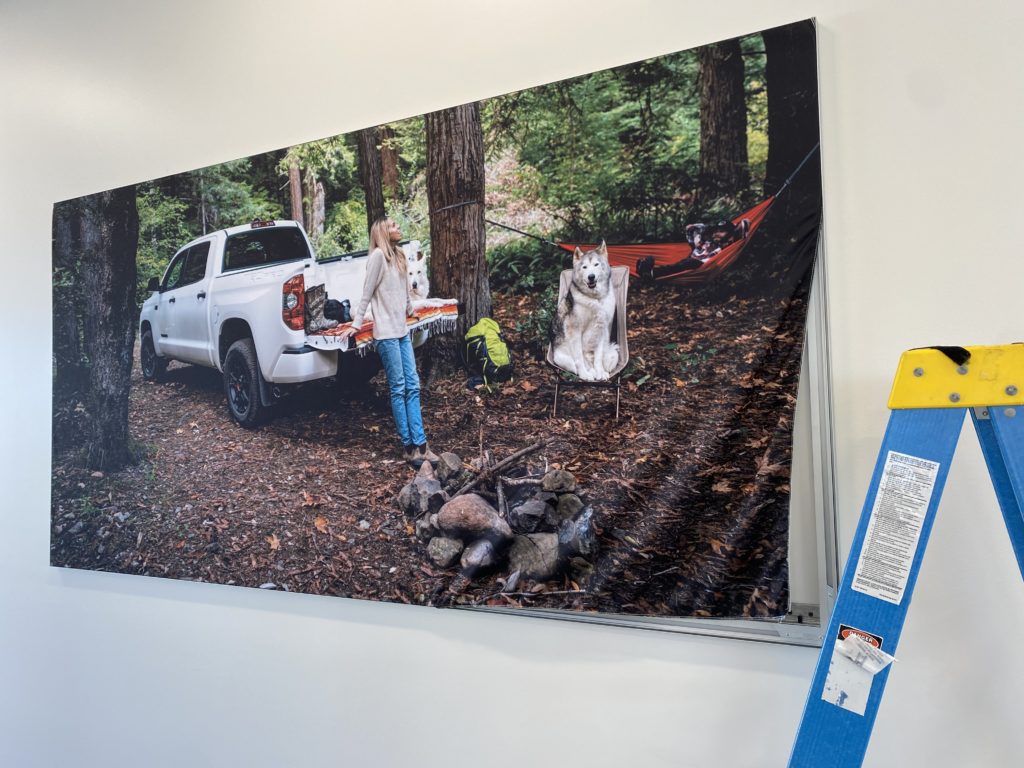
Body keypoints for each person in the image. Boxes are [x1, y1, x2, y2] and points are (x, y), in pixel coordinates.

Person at [338, 216, 439, 469]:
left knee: (413, 386)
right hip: (385, 334)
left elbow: (404, 291)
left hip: (402, 331)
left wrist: (411, 311)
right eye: (393, 225)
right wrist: (356, 323)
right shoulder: (377, 258)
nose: (398, 227)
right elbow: (367, 292)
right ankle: (409, 448)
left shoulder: (400, 255)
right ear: (383, 231)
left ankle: (422, 445)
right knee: (399, 388)